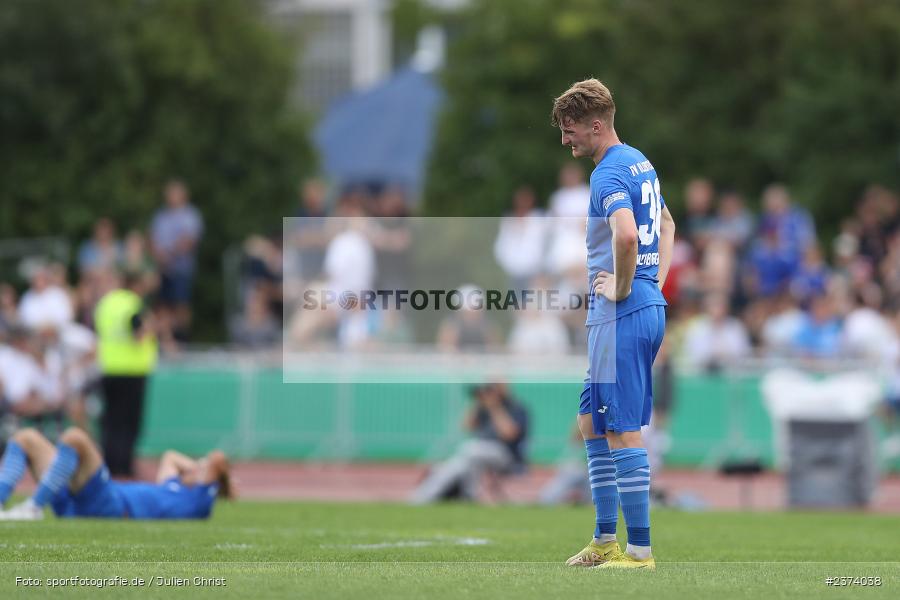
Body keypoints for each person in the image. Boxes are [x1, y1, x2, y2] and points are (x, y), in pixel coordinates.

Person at [551, 78, 674, 569]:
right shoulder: (640, 162)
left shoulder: (606, 175)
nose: (566, 139)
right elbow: (666, 224)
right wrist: (654, 283)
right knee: (591, 422)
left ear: (596, 125)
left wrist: (626, 287)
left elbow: (626, 236)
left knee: (622, 428)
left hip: (622, 312)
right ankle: (604, 540)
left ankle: (640, 551)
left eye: (571, 129)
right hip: (637, 307)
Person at [0, 426, 231, 520]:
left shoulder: (198, 499)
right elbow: (170, 456)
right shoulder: (172, 486)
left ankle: (33, 508)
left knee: (75, 438)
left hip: (109, 503)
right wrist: (194, 466)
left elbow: (218, 458)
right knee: (26, 437)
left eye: (201, 467)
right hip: (79, 499)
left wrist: (203, 471)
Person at [410, 383, 528, 504]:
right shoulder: (482, 407)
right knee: (454, 465)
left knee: (470, 450)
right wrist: (478, 401)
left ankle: (470, 495)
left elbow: (509, 434)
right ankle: (422, 497)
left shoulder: (516, 407)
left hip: (506, 455)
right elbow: (466, 426)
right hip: (475, 453)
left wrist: (495, 407)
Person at [94, 271, 158, 477]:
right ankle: (124, 467)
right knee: (129, 423)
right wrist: (151, 328)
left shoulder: (106, 303)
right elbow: (138, 332)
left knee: (110, 421)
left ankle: (109, 465)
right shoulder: (133, 303)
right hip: (132, 370)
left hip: (108, 367)